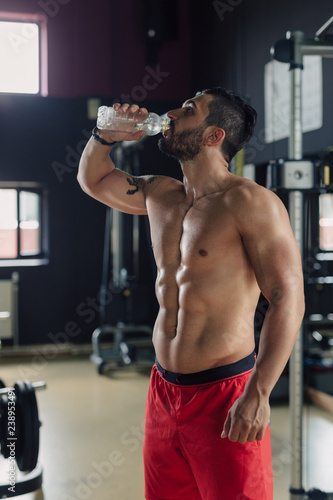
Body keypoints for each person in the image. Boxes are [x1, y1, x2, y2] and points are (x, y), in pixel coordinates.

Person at [77, 87, 305, 500]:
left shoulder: (250, 202)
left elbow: (287, 297)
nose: (172, 113)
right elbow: (91, 179)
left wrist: (259, 391)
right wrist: (105, 135)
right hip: (164, 391)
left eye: (188, 110)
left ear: (214, 136)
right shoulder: (159, 194)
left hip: (225, 393)